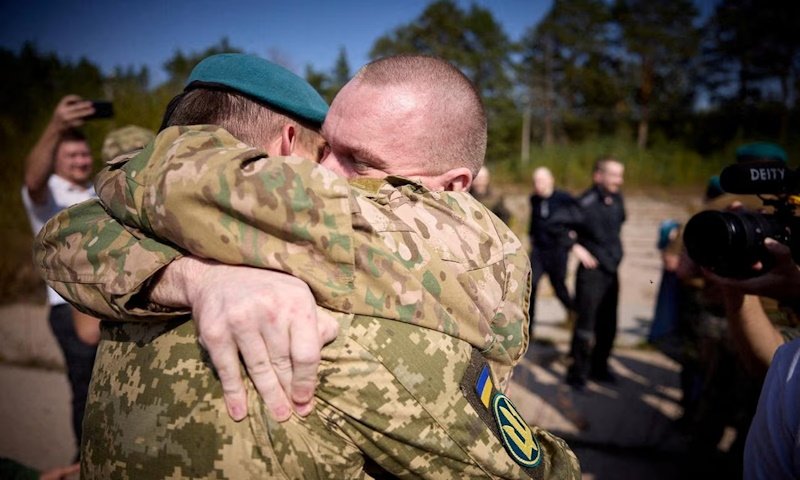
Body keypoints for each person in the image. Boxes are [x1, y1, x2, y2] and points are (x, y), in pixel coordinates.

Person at [35, 53, 580, 479]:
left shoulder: (428, 244)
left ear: (455, 190)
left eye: (362, 164)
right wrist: (199, 279)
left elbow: (103, 212)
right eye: (327, 151)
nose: (327, 175)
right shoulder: (282, 274)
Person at [20, 96, 105, 459]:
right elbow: (32, 179)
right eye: (72, 156)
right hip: (66, 307)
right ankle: (83, 460)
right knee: (85, 386)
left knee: (109, 383)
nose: (81, 161)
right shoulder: (47, 194)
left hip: (103, 304)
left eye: (84, 155)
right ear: (56, 160)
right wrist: (55, 125)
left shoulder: (96, 190)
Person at [565, 157, 626, 389]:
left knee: (609, 324)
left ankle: (600, 368)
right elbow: (557, 226)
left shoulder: (618, 199)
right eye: (614, 175)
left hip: (611, 272)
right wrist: (575, 247)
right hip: (591, 275)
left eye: (620, 175)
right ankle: (577, 374)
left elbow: (618, 225)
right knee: (586, 326)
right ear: (598, 176)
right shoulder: (585, 202)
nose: (619, 181)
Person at [527, 166, 576, 333]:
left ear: (551, 180)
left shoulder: (563, 198)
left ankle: (573, 312)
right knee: (531, 286)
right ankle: (529, 327)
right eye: (535, 181)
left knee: (558, 286)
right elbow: (534, 221)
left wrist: (573, 234)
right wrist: (531, 236)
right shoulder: (534, 199)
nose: (537, 184)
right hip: (539, 251)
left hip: (558, 251)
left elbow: (578, 216)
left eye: (541, 180)